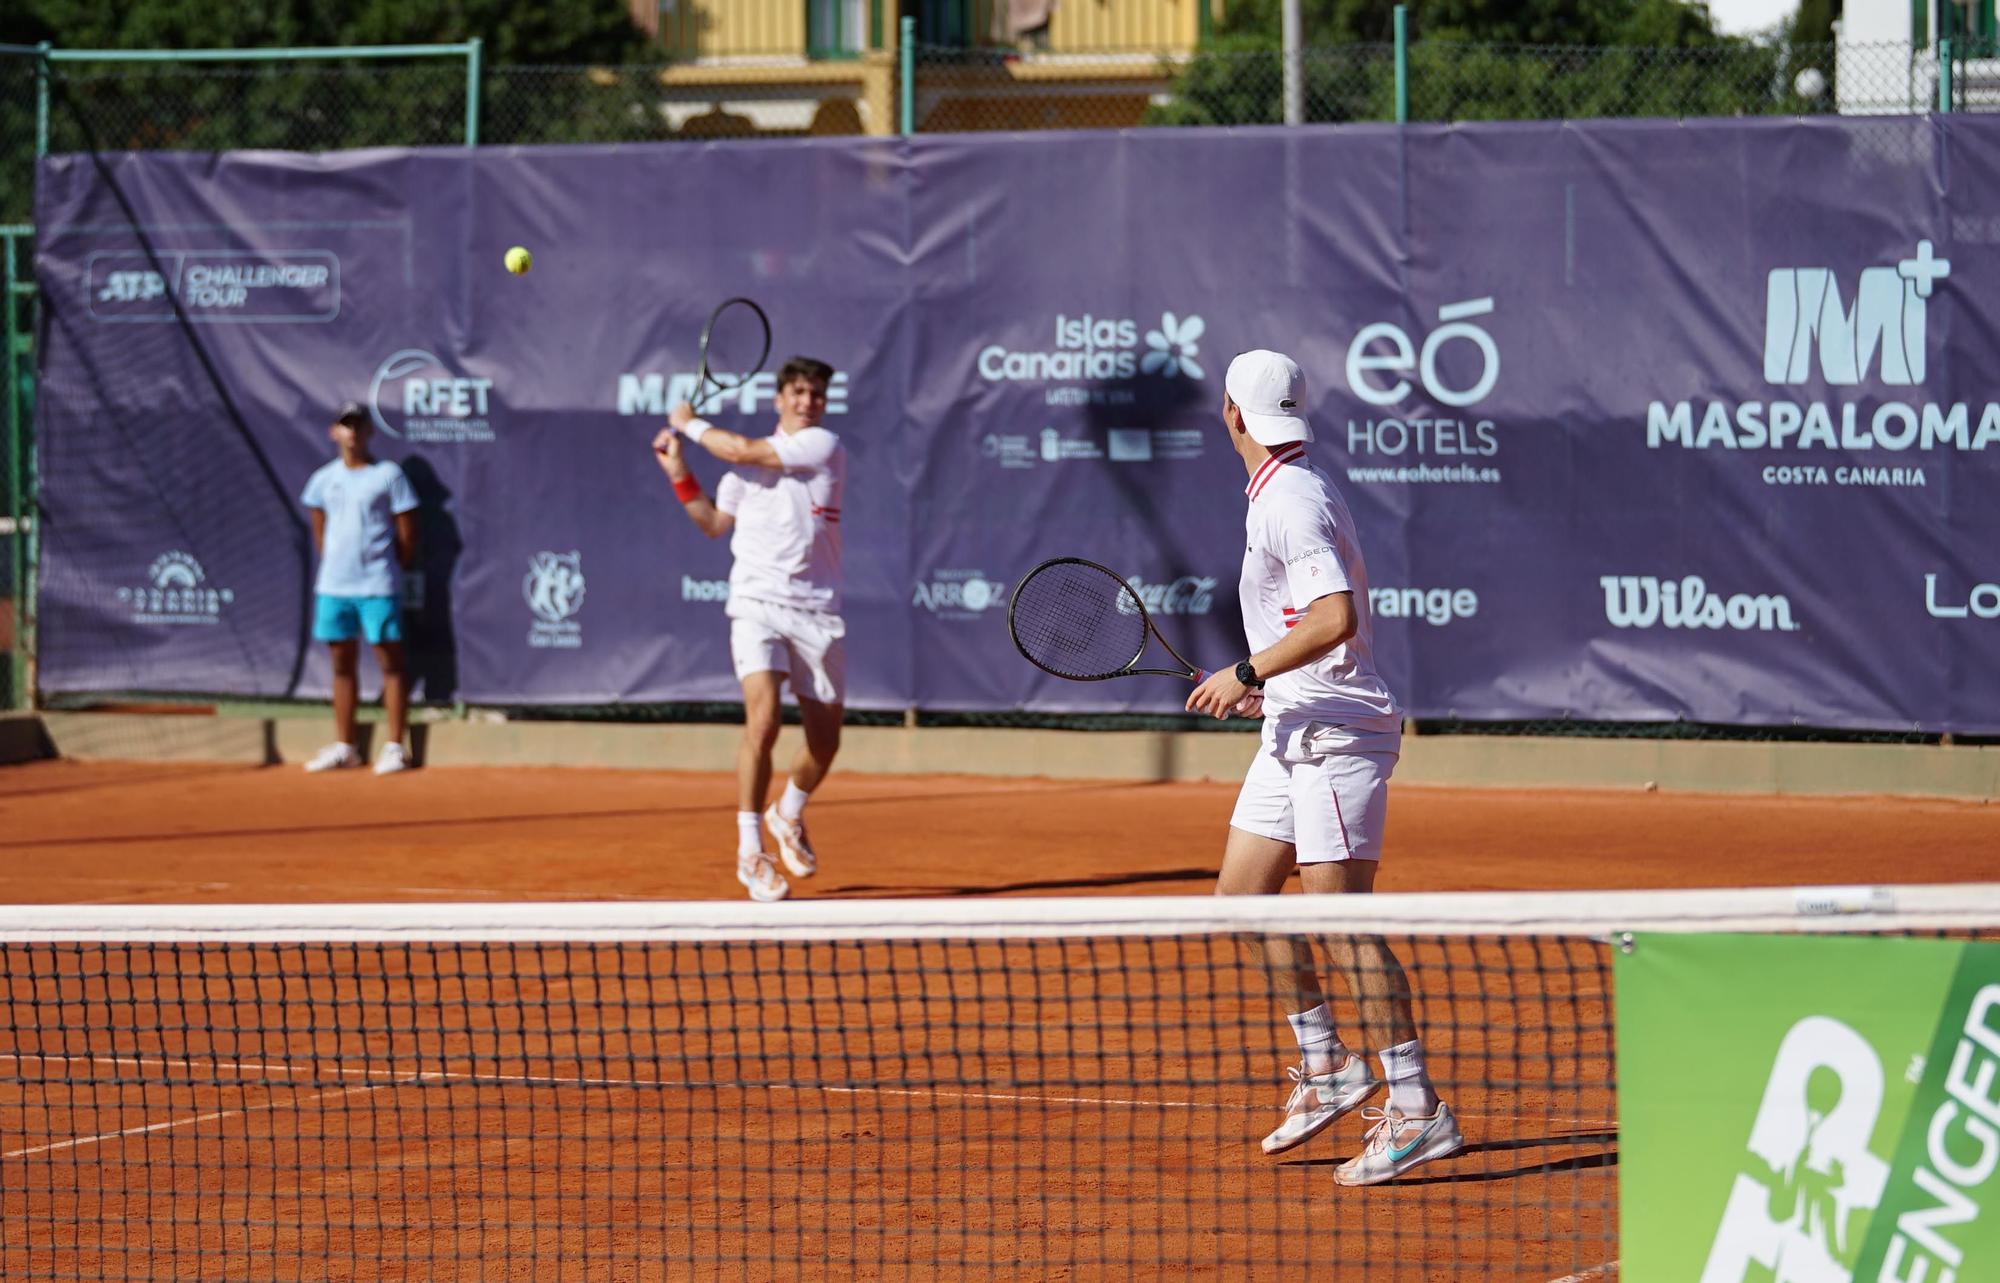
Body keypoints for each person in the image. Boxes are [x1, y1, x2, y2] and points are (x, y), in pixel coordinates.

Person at [1185, 349, 1462, 1185]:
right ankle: (1329, 1063)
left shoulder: (1292, 503)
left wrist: (1246, 671)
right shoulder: (1282, 491)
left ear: (1233, 415)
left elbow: (1335, 615)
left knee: (1341, 919)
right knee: (1241, 897)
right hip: (1292, 726)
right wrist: (1268, 684)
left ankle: (1417, 1108)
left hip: (1335, 736)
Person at [652, 358, 846, 903]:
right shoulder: (740, 473)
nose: (808, 402)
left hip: (817, 613)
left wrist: (687, 423)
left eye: (816, 395)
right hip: (756, 603)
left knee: (825, 742)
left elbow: (737, 448)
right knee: (761, 723)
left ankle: (789, 813)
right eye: (799, 393)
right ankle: (749, 851)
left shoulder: (823, 447)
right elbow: (713, 524)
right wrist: (678, 473)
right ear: (778, 399)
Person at [300, 401, 419, 775]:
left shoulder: (389, 475)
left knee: (391, 664)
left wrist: (386, 569)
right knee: (341, 665)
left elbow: (407, 534)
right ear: (334, 432)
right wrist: (337, 565)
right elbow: (319, 530)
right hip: (334, 587)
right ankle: (346, 746)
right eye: (345, 425)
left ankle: (396, 746)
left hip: (377, 585)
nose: (352, 432)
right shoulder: (322, 480)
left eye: (358, 425)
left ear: (370, 432)